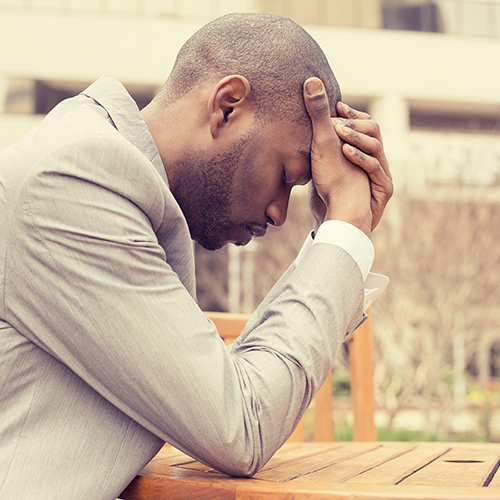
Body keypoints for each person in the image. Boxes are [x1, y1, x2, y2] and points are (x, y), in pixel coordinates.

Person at [0, 13, 392, 500]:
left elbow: (223, 387)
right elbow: (241, 425)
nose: (277, 214)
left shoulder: (111, 179)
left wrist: (337, 237)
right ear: (228, 106)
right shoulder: (75, 180)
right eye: (287, 176)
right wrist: (347, 229)